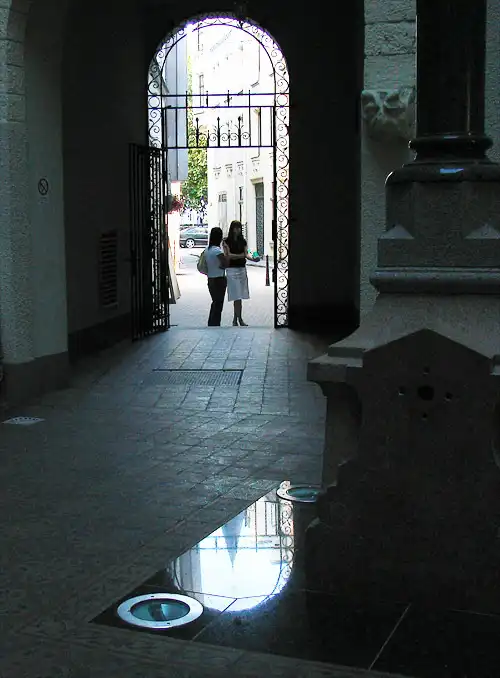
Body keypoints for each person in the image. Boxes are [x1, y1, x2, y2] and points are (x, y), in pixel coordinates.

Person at [223, 220, 251, 326]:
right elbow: (228, 255)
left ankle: (236, 319)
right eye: (235, 227)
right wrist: (241, 255)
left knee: (240, 296)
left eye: (239, 228)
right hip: (231, 270)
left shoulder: (243, 241)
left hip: (241, 269)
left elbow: (246, 254)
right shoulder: (226, 241)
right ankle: (238, 319)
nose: (237, 230)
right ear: (232, 229)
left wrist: (253, 258)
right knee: (236, 296)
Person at [205, 227, 228, 326]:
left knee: (215, 302)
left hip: (210, 279)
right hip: (219, 279)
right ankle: (215, 324)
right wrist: (226, 249)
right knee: (219, 304)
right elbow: (226, 263)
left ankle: (211, 323)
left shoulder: (207, 250)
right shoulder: (218, 251)